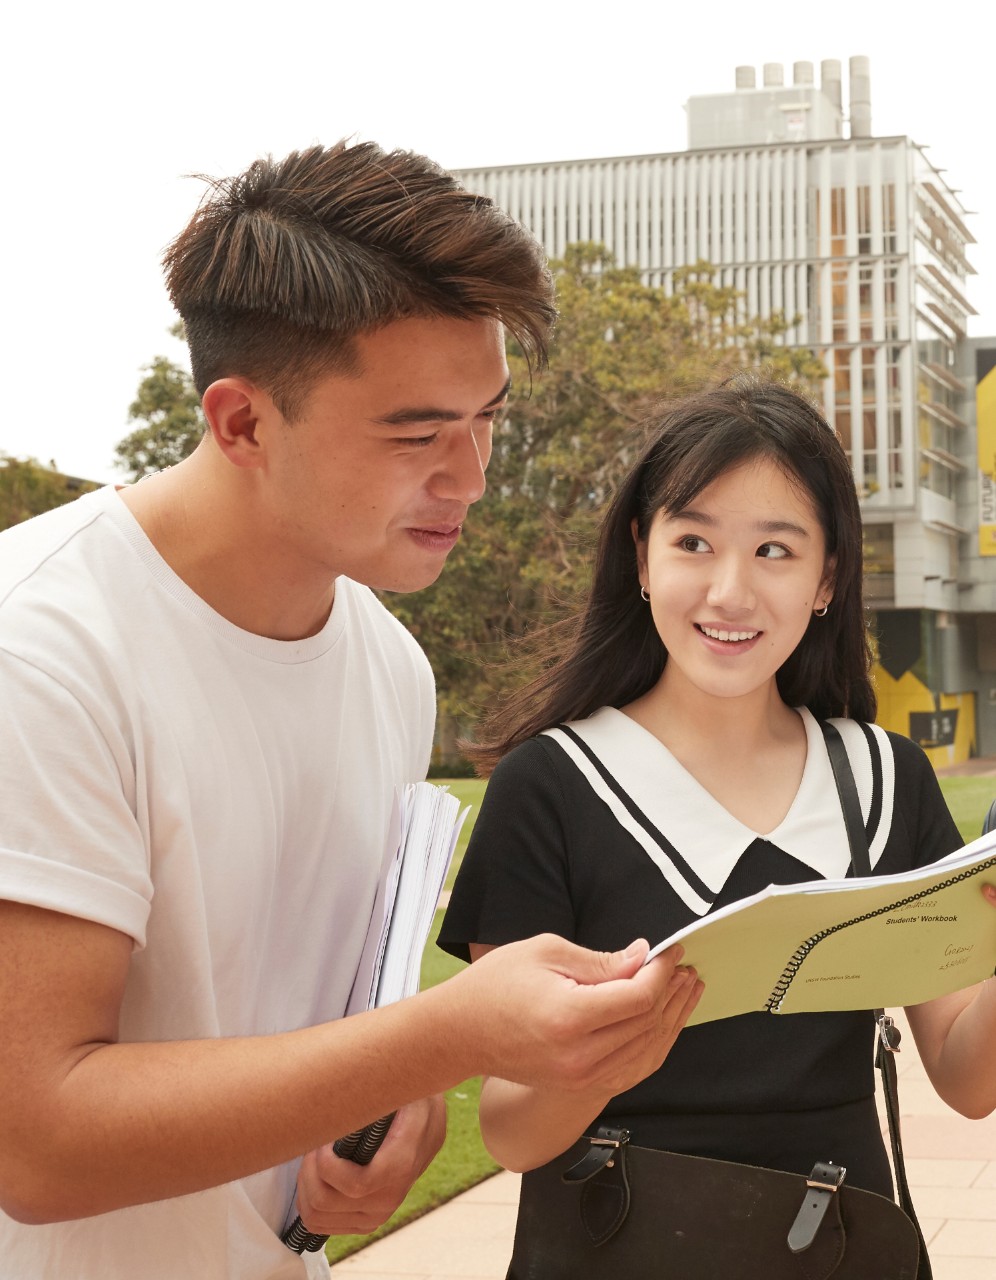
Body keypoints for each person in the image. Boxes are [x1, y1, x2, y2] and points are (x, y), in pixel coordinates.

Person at [0, 141, 692, 1280]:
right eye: (418, 433)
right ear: (243, 423)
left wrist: (401, 1102)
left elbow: (328, 1019)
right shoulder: (47, 650)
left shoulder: (386, 662)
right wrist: (449, 1033)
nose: (470, 476)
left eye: (487, 420)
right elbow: (35, 1136)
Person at [439, 377, 996, 1267]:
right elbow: (510, 1131)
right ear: (642, 555)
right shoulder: (551, 785)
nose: (731, 592)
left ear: (828, 578)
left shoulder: (884, 780)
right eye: (693, 540)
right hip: (616, 1245)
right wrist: (617, 1052)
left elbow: (968, 1083)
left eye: (776, 549)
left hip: (843, 1250)